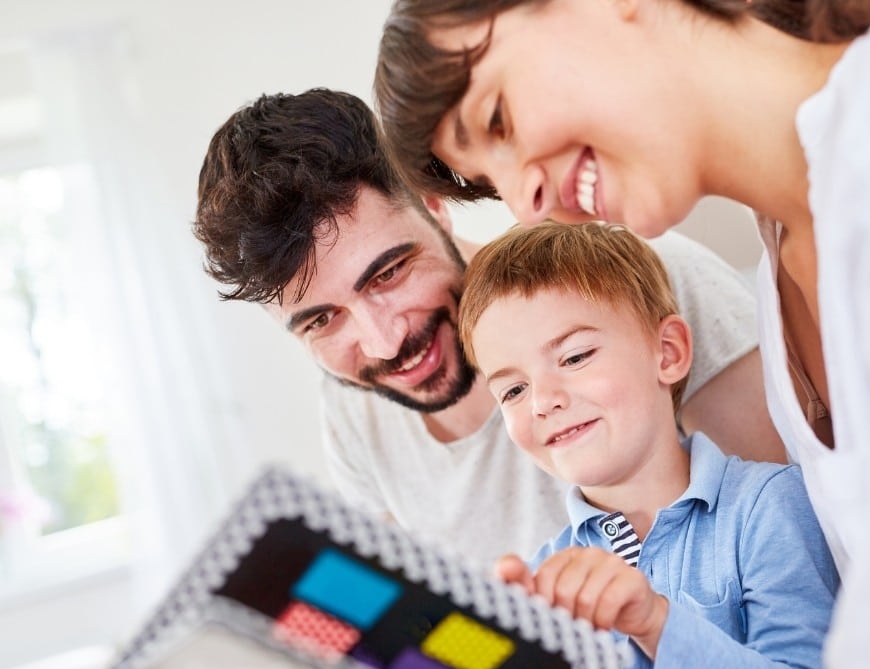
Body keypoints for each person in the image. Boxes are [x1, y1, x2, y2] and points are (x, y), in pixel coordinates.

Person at [373, 0, 870, 669]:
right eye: (492, 184)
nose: (525, 204)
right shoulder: (780, 280)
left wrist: (656, 626)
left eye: (499, 118)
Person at [192, 88, 784, 567]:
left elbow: (794, 545)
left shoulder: (629, 284)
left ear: (434, 205)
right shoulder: (353, 418)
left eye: (389, 274)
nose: (385, 342)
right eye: (322, 320)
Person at [458, 220, 838, 669]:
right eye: (512, 390)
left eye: (574, 356)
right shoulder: (547, 583)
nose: (543, 402)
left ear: (668, 352)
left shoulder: (768, 506)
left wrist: (654, 623)